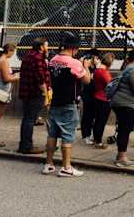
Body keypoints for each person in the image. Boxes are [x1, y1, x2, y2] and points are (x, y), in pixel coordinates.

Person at [42, 32, 92, 177]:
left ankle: (49, 164)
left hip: (55, 101)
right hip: (68, 103)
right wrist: (86, 66)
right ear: (73, 48)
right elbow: (87, 80)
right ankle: (66, 167)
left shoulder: (53, 60)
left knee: (52, 135)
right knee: (67, 135)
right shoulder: (74, 63)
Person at [18, 37, 50, 155]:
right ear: (41, 47)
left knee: (27, 118)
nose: (48, 48)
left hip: (26, 91)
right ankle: (27, 146)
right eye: (46, 45)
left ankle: (24, 144)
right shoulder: (38, 58)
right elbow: (40, 78)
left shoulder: (28, 55)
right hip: (35, 93)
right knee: (30, 119)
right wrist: (45, 93)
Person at [91, 52, 113, 149]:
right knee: (101, 121)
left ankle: (96, 139)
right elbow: (110, 85)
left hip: (97, 96)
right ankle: (98, 141)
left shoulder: (97, 71)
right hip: (104, 99)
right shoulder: (104, 73)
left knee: (97, 120)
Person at [79, 49, 100, 145]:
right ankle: (85, 135)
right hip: (87, 92)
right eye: (96, 57)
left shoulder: (96, 66)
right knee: (87, 114)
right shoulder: (84, 65)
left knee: (93, 114)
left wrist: (98, 66)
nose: (97, 59)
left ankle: (90, 133)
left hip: (95, 93)